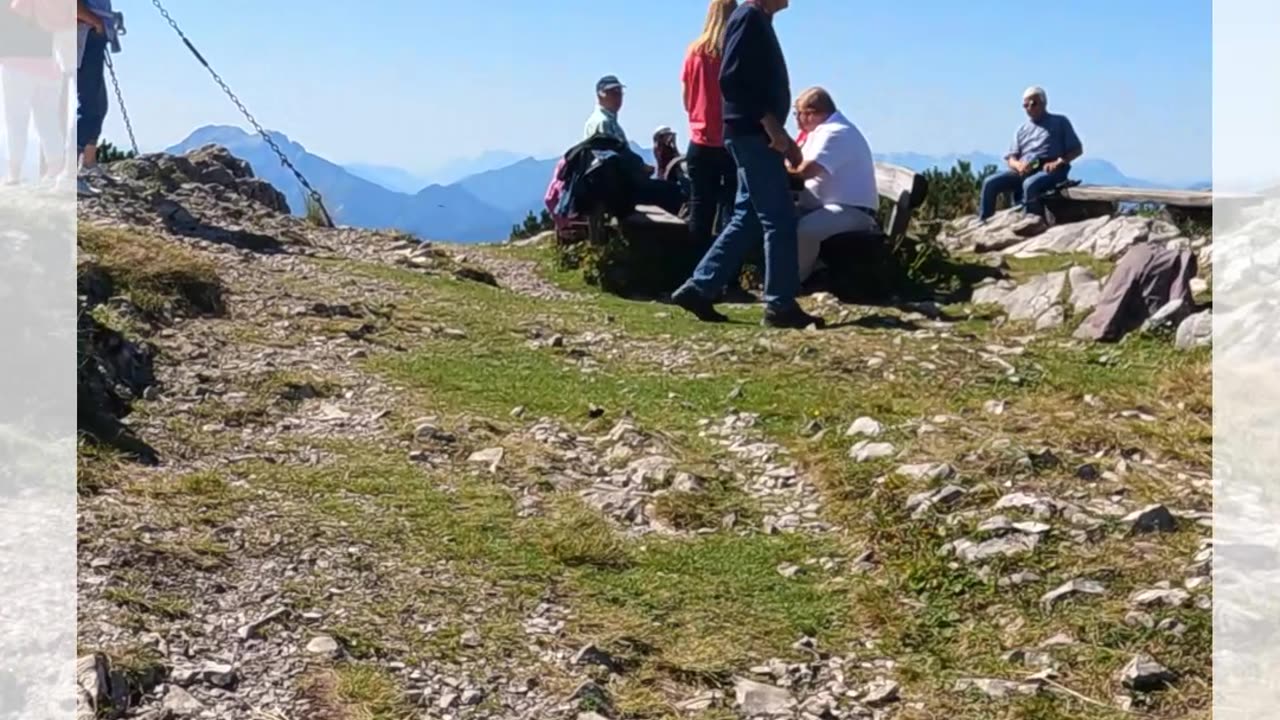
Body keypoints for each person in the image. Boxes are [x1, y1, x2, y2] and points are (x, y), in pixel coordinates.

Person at [670, 0, 824, 330]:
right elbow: (732, 79)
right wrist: (771, 125)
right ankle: (780, 304)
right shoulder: (750, 17)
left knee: (748, 215)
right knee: (779, 218)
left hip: (750, 135)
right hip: (754, 136)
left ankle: (700, 287)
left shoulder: (756, 18)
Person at [786, 87, 880, 284]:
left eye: (798, 113)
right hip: (827, 206)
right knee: (777, 219)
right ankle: (810, 272)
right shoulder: (821, 131)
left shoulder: (835, 133)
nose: (796, 119)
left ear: (811, 113)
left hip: (852, 210)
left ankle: (794, 281)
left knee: (805, 230)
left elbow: (807, 171)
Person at [579, 76, 684, 216]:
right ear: (601, 95)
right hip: (621, 189)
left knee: (666, 189)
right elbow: (614, 159)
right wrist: (640, 168)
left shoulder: (603, 121)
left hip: (616, 186)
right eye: (613, 93)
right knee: (674, 191)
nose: (618, 97)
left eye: (620, 93)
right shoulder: (603, 123)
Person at [978, 85, 1083, 222]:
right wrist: (1018, 165)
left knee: (1030, 184)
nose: (1030, 108)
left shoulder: (1060, 122)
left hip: (1050, 169)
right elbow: (1011, 157)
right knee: (990, 183)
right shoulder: (1022, 129)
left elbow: (1077, 149)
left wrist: (1058, 162)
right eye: (1026, 105)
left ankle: (1032, 222)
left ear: (1044, 103)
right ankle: (984, 221)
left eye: (1033, 104)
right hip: (1026, 168)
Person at [681, 0, 738, 252]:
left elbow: (686, 98)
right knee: (731, 210)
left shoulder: (694, 51)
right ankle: (727, 274)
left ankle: (695, 272)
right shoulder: (734, 51)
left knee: (700, 208)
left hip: (700, 141)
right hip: (729, 141)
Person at [75, 0, 122, 195]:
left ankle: (89, 162)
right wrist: (97, 22)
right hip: (83, 36)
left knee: (99, 104)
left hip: (89, 35)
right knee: (90, 107)